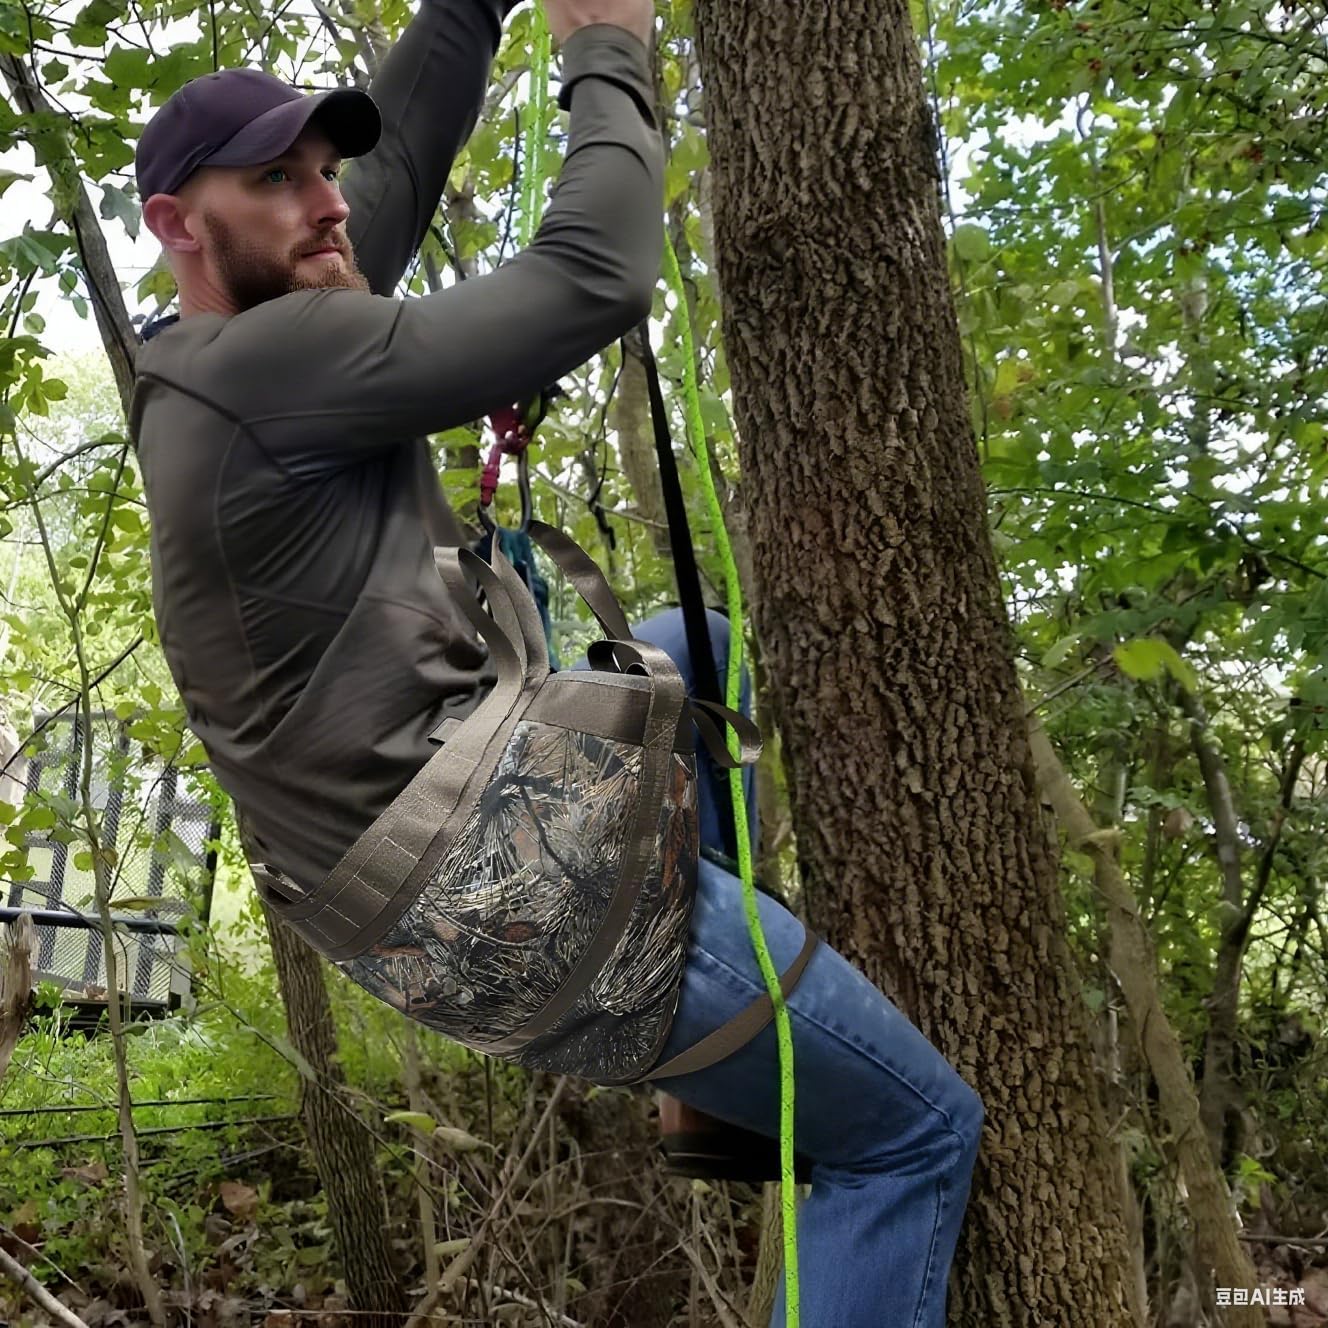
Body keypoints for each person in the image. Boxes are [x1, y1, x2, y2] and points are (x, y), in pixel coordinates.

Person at [129, 0, 984, 1322]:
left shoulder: (199, 367)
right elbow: (595, 278)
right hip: (506, 889)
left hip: (409, 889)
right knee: (915, 1137)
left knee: (692, 647)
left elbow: (397, 169)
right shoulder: (277, 361)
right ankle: (682, 976)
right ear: (181, 224)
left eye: (318, 174)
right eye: (272, 182)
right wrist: (603, 48)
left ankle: (702, 1084)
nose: (325, 204)